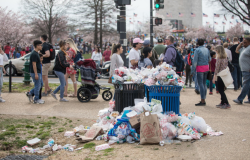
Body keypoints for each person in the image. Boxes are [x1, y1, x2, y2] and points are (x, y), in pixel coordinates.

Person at [191, 39, 210, 106]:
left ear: (197, 43)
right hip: (206, 67)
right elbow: (209, 59)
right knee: (204, 84)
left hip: (200, 68)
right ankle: (204, 98)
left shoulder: (197, 50)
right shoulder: (207, 49)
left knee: (201, 84)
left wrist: (192, 71)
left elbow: (195, 61)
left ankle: (202, 100)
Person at [233, 38, 250, 104]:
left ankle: (240, 99)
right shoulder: (245, 48)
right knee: (248, 85)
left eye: (245, 42)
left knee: (245, 84)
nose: (243, 43)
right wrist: (240, 44)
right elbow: (236, 50)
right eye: (243, 42)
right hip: (244, 69)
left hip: (247, 70)